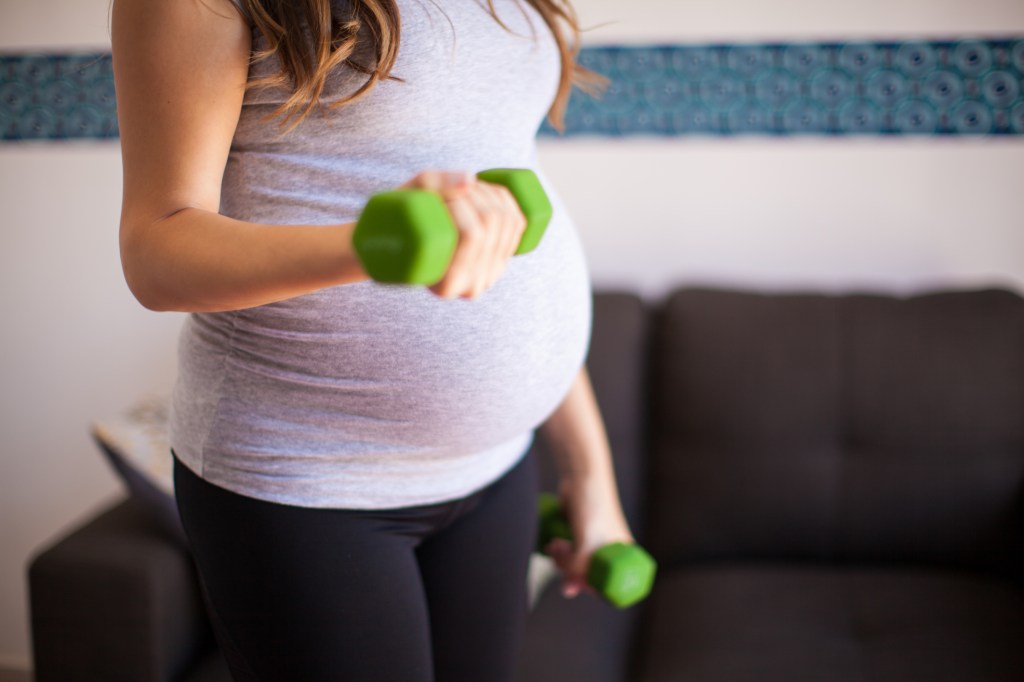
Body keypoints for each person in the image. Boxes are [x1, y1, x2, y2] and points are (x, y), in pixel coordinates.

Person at [111, 0, 635, 679]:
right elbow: (157, 251)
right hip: (304, 482)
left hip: (496, 470)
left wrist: (591, 475)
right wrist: (371, 246)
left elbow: (508, 237)